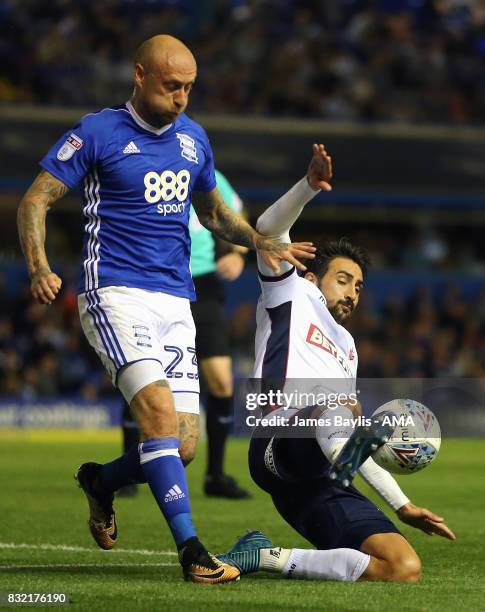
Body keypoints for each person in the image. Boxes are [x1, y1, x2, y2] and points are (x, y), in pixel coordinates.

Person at [16, 34, 314, 584]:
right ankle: (193, 552)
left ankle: (101, 481)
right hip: (116, 293)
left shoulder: (195, 140)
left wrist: (261, 242)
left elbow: (214, 214)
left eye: (189, 88)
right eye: (172, 85)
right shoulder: (98, 131)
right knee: (155, 417)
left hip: (178, 300)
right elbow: (37, 197)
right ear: (140, 75)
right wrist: (40, 266)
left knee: (182, 447)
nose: (182, 97)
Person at [217, 144, 456, 582]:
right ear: (311, 277)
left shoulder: (348, 345)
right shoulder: (290, 293)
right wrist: (309, 186)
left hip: (319, 475)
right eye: (343, 279)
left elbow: (340, 422)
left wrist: (359, 431)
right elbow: (268, 227)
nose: (352, 292)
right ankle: (371, 480)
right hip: (277, 440)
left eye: (360, 287)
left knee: (401, 568)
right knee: (336, 410)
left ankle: (264, 555)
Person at [119, 169, 250, 499]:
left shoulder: (205, 169)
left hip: (203, 285)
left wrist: (237, 252)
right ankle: (125, 473)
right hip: (152, 280)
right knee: (142, 373)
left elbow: (233, 209)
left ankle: (216, 476)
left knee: (221, 382)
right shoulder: (144, 164)